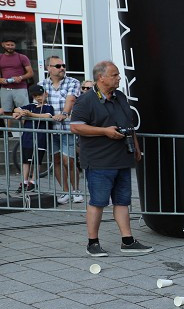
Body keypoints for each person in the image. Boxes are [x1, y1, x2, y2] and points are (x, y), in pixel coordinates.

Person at [69, 61, 154, 256]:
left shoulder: (120, 97)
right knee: (98, 202)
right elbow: (76, 127)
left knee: (122, 201)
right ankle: (93, 243)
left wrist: (137, 147)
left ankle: (128, 240)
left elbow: (129, 125)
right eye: (114, 75)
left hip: (122, 158)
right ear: (101, 78)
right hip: (99, 161)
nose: (118, 78)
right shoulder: (86, 100)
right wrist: (104, 132)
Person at [40, 56, 83, 203]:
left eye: (63, 65)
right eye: (58, 66)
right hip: (51, 130)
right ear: (49, 68)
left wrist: (64, 113)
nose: (62, 68)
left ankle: (76, 190)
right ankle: (65, 192)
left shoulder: (73, 82)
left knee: (68, 160)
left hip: (67, 128)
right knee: (56, 160)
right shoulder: (42, 84)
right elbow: (37, 104)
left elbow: (71, 99)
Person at [12, 85, 54, 193]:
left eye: (40, 95)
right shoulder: (31, 105)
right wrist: (20, 112)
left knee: (36, 160)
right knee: (25, 160)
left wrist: (30, 114)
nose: (39, 98)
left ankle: (33, 181)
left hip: (40, 138)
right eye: (36, 96)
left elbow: (47, 116)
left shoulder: (48, 107)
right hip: (27, 137)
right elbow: (17, 108)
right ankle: (24, 181)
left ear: (46, 94)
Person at [0, 39, 33, 116]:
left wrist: (20, 77)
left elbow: (30, 73)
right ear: (3, 45)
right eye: (8, 45)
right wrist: (0, 79)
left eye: (12, 45)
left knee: (23, 111)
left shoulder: (22, 57)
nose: (10, 47)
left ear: (15, 46)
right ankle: (9, 128)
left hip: (20, 88)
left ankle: (24, 128)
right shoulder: (0, 57)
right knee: (6, 112)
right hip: (5, 89)